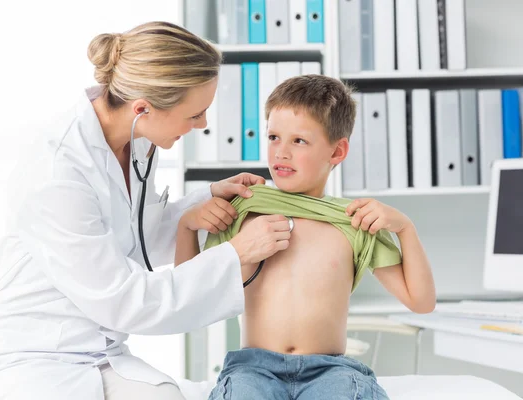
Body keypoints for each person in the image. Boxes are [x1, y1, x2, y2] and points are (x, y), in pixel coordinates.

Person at [0, 21, 293, 400]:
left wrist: (203, 204)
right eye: (195, 114)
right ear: (142, 108)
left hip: (100, 352)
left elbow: (131, 235)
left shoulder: (135, 140)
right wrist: (237, 254)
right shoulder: (56, 172)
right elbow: (124, 299)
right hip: (31, 357)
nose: (203, 125)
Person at [175, 75, 436, 400]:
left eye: (299, 141)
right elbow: (188, 297)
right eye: (273, 137)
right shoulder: (243, 208)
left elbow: (421, 302)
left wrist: (405, 228)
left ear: (337, 151)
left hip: (330, 370)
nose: (281, 152)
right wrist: (187, 226)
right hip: (253, 368)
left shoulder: (353, 221)